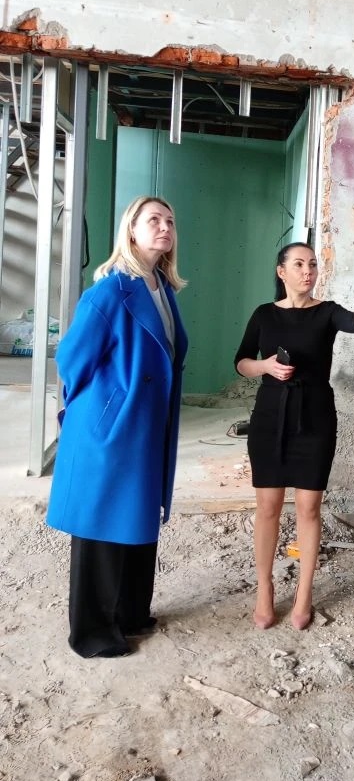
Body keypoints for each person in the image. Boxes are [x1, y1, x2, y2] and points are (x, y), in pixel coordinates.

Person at [234, 243, 354, 631]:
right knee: (267, 508)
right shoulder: (264, 314)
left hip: (315, 418)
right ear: (281, 272)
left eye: (313, 265)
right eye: (299, 264)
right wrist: (266, 366)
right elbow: (242, 362)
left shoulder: (327, 311)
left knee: (309, 508)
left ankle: (304, 594)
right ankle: (264, 590)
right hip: (270, 418)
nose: (308, 271)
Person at [47, 196, 188, 658]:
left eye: (170, 221)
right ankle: (92, 633)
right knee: (101, 525)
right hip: (112, 428)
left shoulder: (161, 288)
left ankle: (130, 614)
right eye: (154, 220)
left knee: (137, 516)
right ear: (131, 230)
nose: (164, 227)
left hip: (146, 425)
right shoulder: (110, 290)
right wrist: (99, 408)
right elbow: (72, 359)